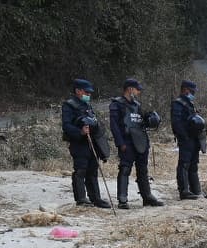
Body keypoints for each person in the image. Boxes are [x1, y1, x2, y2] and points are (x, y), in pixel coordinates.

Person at [108, 78, 163, 209]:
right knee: (125, 169)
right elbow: (114, 127)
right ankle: (122, 199)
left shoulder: (137, 105)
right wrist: (120, 143)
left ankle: (147, 196)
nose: (138, 92)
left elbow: (141, 122)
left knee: (143, 170)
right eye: (137, 89)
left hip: (140, 141)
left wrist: (151, 119)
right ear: (130, 89)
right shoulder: (117, 104)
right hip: (127, 141)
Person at [61, 79, 110, 208]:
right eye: (86, 92)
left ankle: (95, 198)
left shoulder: (87, 105)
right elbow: (66, 126)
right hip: (79, 143)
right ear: (78, 91)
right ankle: (81, 198)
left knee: (93, 170)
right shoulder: (69, 105)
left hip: (92, 142)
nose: (88, 94)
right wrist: (80, 132)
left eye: (89, 93)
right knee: (80, 170)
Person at [170, 79, 206, 200]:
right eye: (191, 91)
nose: (193, 94)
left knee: (193, 164)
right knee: (184, 164)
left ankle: (196, 190)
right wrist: (184, 137)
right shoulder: (178, 103)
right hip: (186, 138)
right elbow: (176, 122)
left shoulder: (189, 103)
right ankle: (184, 191)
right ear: (185, 90)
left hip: (194, 138)